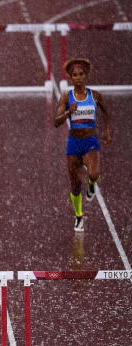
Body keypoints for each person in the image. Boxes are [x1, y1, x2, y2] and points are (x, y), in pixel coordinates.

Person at [53, 58, 112, 232]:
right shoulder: (67, 97)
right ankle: (79, 216)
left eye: (81, 74)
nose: (78, 78)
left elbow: (106, 113)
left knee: (94, 173)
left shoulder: (95, 96)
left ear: (86, 76)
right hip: (74, 143)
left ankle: (93, 184)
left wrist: (107, 133)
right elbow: (56, 122)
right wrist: (68, 112)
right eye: (74, 75)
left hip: (91, 141)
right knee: (75, 185)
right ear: (71, 78)